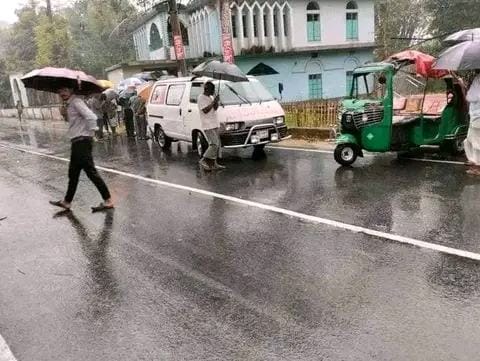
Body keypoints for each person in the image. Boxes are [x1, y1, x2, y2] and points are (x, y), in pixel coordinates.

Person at [50, 87, 114, 212]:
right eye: (59, 91)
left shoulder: (76, 102)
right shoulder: (70, 104)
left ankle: (108, 200)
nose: (62, 93)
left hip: (82, 142)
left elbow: (91, 117)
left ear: (71, 91)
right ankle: (67, 202)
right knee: (73, 173)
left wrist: (92, 132)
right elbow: (74, 122)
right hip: (76, 142)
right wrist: (64, 114)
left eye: (65, 90)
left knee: (91, 172)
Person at [197, 81, 225, 171]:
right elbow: (205, 110)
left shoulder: (211, 97)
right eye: (212, 89)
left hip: (214, 123)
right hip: (208, 125)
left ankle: (214, 164)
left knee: (217, 144)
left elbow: (215, 108)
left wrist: (216, 101)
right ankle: (204, 159)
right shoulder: (201, 98)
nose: (213, 91)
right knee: (214, 143)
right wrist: (213, 102)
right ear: (207, 89)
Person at [465, 71, 480, 175]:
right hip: (476, 117)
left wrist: (467, 88)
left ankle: (477, 167)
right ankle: (473, 160)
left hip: (477, 117)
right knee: (468, 140)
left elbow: (471, 97)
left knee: (476, 142)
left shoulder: (478, 79)